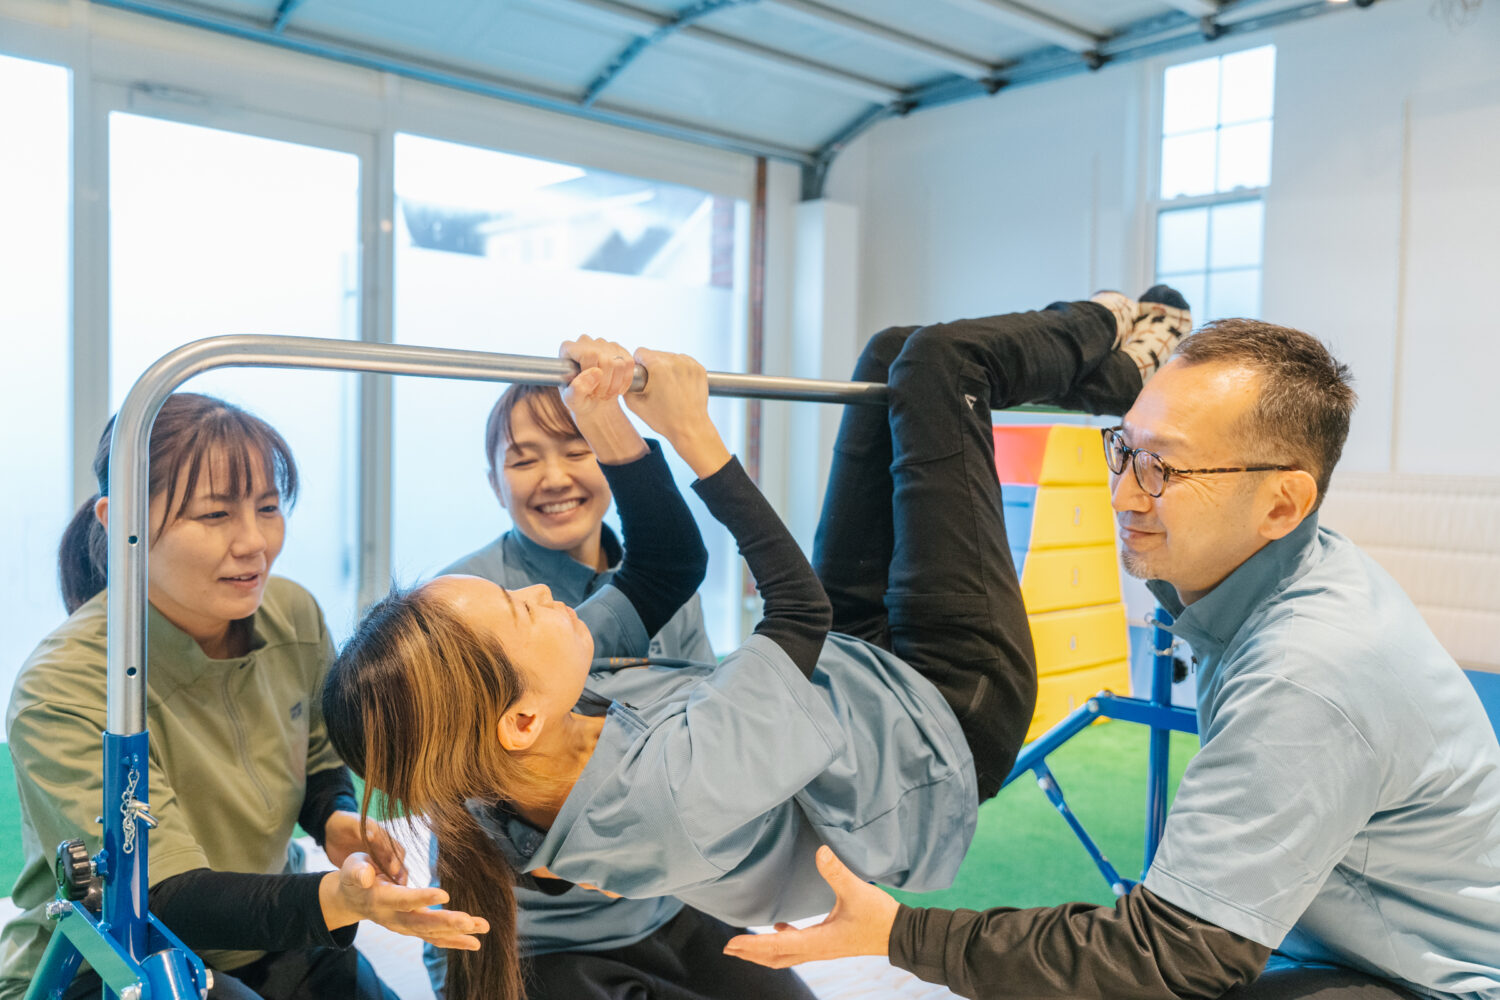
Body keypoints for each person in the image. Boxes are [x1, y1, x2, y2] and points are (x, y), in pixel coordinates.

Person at [322, 288, 1191, 1000]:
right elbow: (795, 613)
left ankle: (1116, 377)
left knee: (889, 355)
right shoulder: (661, 794)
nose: (546, 596)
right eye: (522, 610)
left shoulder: (525, 730)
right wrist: (693, 435)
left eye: (570, 450)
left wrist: (610, 424)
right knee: (943, 363)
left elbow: (666, 567)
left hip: (843, 685)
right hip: (939, 722)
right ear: (518, 719)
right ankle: (1121, 323)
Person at [723, 320, 1500, 1000]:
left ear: (1282, 505)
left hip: (1436, 983)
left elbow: (1174, 956)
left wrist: (902, 936)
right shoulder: (1287, 575)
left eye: (1164, 469)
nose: (1123, 496)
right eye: (1123, 450)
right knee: (900, 351)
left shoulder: (1308, 671)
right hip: (1346, 941)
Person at [1, 393, 486, 1000]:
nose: (255, 542)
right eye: (215, 514)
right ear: (121, 521)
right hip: (109, 963)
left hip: (263, 934)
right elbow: (160, 895)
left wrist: (333, 818)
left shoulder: (292, 613)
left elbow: (316, 755)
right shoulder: (62, 685)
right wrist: (336, 898)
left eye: (268, 507)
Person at [424, 382, 812, 1000]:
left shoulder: (658, 580)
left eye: (576, 448)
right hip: (536, 934)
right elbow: (449, 787)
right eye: (524, 460)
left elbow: (706, 719)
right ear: (495, 482)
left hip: (667, 898)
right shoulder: (466, 602)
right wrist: (563, 847)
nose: (554, 477)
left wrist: (758, 872)